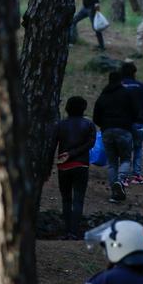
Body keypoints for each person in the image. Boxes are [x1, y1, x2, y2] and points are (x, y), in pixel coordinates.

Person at [53, 96, 97, 239]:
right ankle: (74, 231)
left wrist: (49, 165)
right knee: (78, 199)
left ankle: (66, 230)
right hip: (81, 165)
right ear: (83, 109)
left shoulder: (60, 125)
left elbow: (52, 146)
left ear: (67, 108)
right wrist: (73, 154)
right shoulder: (89, 125)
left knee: (66, 199)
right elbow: (90, 144)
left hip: (63, 167)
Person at [94, 71, 141, 203]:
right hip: (124, 130)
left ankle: (115, 193)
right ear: (121, 81)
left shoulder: (103, 96)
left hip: (107, 131)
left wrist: (105, 125)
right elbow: (137, 112)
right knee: (126, 159)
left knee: (112, 163)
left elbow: (96, 117)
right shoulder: (128, 94)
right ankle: (120, 181)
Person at [120, 61, 143, 185]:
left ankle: (123, 176)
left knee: (124, 149)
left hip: (123, 123)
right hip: (139, 122)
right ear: (134, 72)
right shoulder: (141, 86)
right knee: (138, 148)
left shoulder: (119, 85)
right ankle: (137, 175)